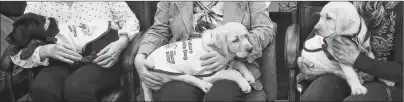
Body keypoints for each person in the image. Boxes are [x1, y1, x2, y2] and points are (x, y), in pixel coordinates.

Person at [134, 1, 276, 101]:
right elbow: (159, 31)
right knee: (176, 96)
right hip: (185, 67)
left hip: (233, 66)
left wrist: (227, 54)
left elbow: (265, 29)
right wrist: (141, 55)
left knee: (221, 97)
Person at [10, 1, 139, 101]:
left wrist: (121, 43)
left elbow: (130, 20)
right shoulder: (37, 3)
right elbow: (20, 47)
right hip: (59, 60)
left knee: (77, 88)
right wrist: (46, 50)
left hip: (101, 56)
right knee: (42, 89)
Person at [298, 1, 403, 101]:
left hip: (385, 79)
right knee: (313, 98)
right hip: (342, 70)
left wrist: (357, 59)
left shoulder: (400, 8)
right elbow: (317, 38)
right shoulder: (346, 3)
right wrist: (305, 60)